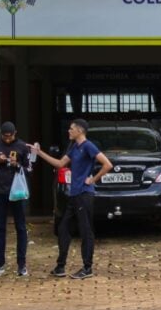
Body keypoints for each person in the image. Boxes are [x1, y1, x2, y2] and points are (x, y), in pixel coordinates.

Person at [32, 119, 113, 279]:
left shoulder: (88, 146)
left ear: (80, 131)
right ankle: (60, 266)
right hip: (74, 194)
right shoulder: (74, 148)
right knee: (63, 228)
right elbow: (60, 164)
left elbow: (107, 164)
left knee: (85, 231)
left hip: (84, 194)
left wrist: (93, 179)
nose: (68, 131)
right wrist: (39, 153)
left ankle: (87, 268)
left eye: (71, 129)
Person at [0, 122, 31, 277]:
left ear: (15, 133)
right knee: (0, 227)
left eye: (10, 136)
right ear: (1, 134)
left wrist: (17, 166)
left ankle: (22, 264)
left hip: (17, 192)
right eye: (4, 136)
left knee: (21, 227)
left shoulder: (22, 146)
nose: (7, 139)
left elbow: (29, 170)